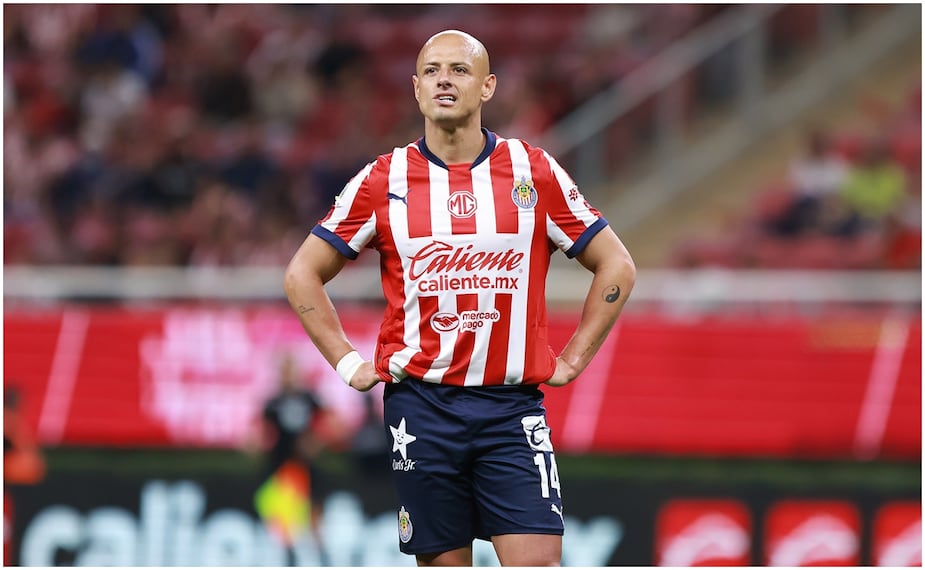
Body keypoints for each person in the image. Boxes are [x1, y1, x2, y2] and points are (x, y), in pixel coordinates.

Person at [283, 30, 635, 566]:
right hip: (422, 408)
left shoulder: (532, 171)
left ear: (488, 86)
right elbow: (302, 274)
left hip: (511, 409)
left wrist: (575, 358)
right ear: (416, 88)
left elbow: (617, 265)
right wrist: (347, 362)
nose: (444, 78)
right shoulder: (383, 179)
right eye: (431, 70)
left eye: (459, 69)